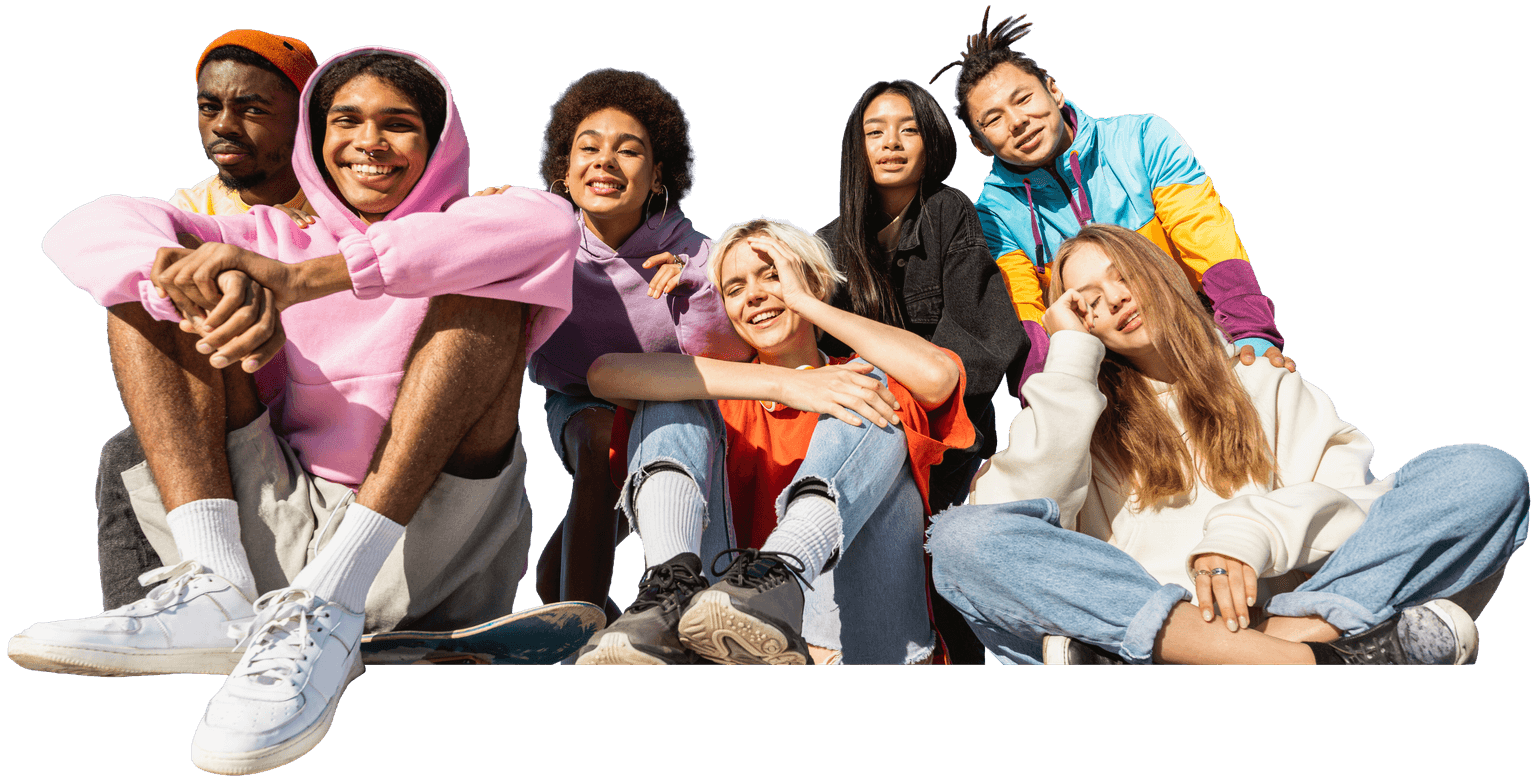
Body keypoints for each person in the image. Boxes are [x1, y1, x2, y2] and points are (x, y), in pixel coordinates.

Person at [11, 46, 578, 772]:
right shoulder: (270, 235)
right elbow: (90, 224)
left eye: (398, 124)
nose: (369, 142)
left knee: (488, 288)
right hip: (277, 522)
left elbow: (549, 226)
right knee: (158, 275)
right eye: (347, 121)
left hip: (419, 538)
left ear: (438, 144)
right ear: (317, 136)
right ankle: (213, 588)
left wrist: (302, 281)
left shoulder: (479, 219)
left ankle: (334, 599)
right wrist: (184, 282)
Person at [926, 224, 1527, 664]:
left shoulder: (1267, 383)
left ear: (1161, 276)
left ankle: (1281, 646)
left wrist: (1245, 535)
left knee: (1483, 475)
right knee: (961, 539)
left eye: (1123, 276)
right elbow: (1011, 517)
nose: (1114, 300)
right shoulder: (1077, 412)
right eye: (1087, 303)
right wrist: (1067, 357)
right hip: (1150, 633)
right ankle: (1290, 658)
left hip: (1294, 607)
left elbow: (1357, 508)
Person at [575, 219, 971, 665]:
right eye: (735, 289)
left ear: (814, 282)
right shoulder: (721, 405)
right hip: (728, 639)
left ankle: (782, 572)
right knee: (675, 394)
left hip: (859, 649)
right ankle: (668, 598)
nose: (754, 295)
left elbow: (937, 377)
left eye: (772, 276)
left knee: (866, 384)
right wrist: (787, 384)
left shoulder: (860, 374)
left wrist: (805, 302)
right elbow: (604, 375)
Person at [488, 69, 748, 623]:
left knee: (551, 577)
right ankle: (593, 634)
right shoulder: (542, 236)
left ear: (657, 177)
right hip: (580, 401)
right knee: (598, 439)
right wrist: (482, 218)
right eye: (589, 148)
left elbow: (728, 358)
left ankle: (616, 630)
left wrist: (696, 285)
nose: (605, 160)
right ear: (564, 171)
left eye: (628, 151)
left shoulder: (693, 253)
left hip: (674, 414)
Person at [932, 9, 1292, 384]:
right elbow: (1025, 311)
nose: (1017, 121)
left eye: (1023, 99)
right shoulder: (992, 216)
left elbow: (1206, 233)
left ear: (1054, 90)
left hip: (1196, 330)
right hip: (1106, 375)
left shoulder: (1143, 139)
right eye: (993, 119)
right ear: (980, 144)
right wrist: (1040, 393)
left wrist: (1251, 333)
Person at [97, 29, 321, 611]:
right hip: (236, 402)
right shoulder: (190, 209)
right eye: (209, 106)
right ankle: (146, 619)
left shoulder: (346, 193)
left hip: (327, 416)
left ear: (305, 118)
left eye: (252, 109)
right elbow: (101, 232)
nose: (223, 125)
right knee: (126, 452)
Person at [814, 79, 1025, 663]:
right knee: (867, 591)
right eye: (875, 131)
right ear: (856, 147)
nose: (891, 143)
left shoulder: (947, 213)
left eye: (908, 129)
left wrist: (912, 409)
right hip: (864, 436)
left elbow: (982, 337)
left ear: (931, 142)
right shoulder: (827, 247)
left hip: (945, 445)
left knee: (945, 585)